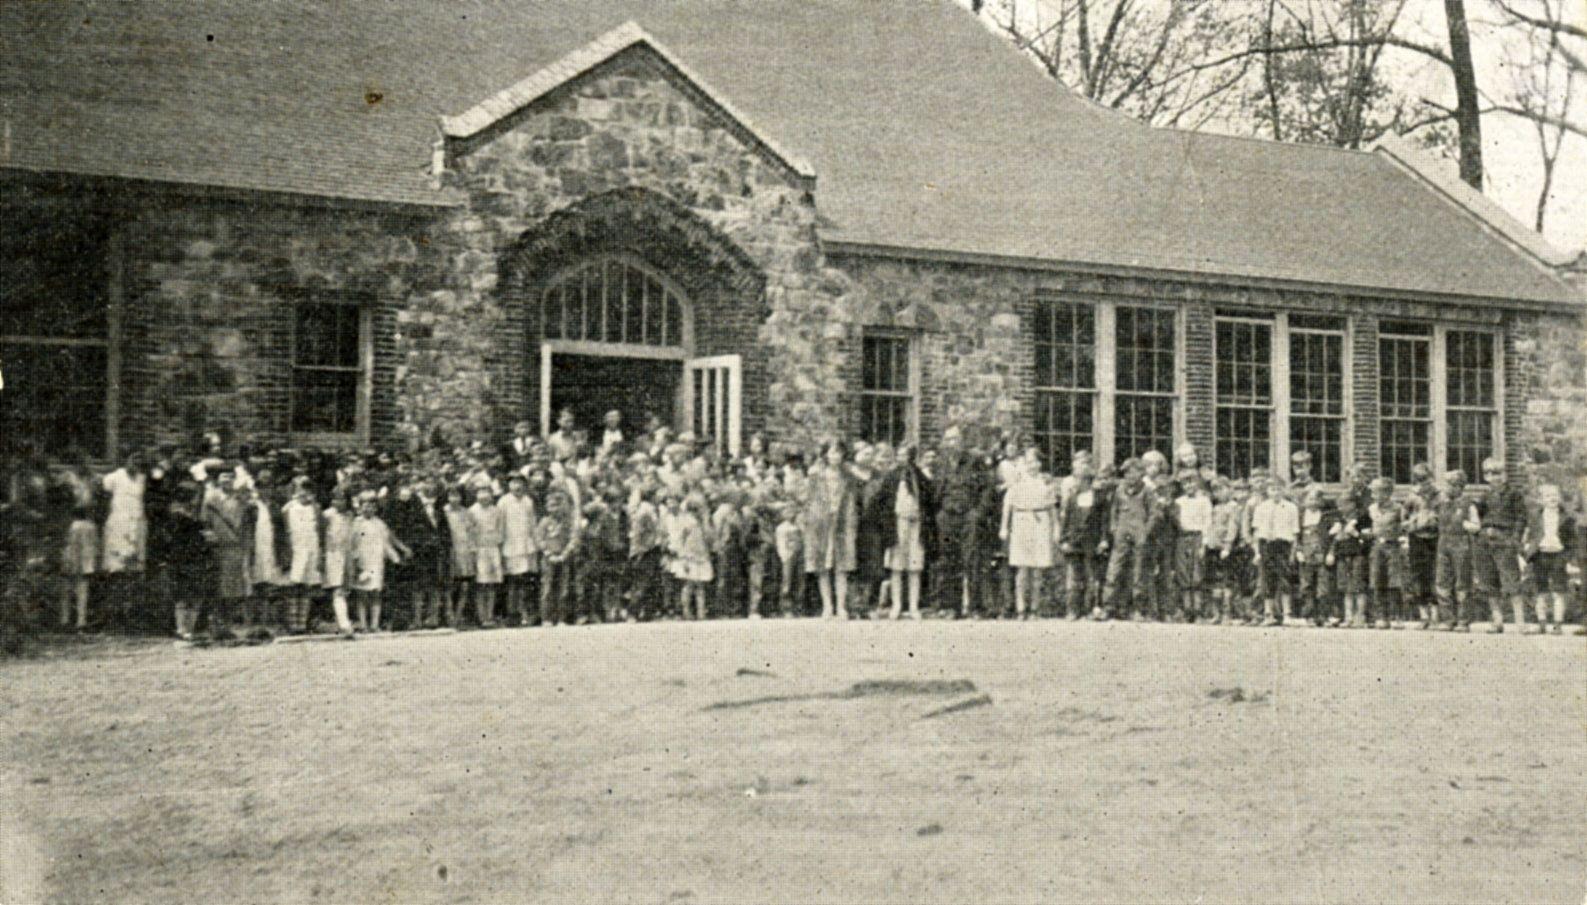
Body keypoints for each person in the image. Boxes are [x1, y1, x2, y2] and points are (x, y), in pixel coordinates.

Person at [802, 440, 860, 620]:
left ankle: (841, 606)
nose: (835, 456)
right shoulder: (816, 476)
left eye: (839, 452)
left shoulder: (848, 477)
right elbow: (809, 501)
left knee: (841, 566)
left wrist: (851, 522)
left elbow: (852, 502)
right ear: (826, 454)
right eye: (832, 452)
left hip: (842, 522)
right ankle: (827, 605)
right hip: (821, 523)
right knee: (822, 565)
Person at [1000, 446, 1055, 620]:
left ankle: (1034, 608)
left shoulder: (1046, 482)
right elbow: (1007, 505)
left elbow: (1052, 508)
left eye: (1036, 462)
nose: (1033, 466)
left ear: (1040, 464)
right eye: (1029, 462)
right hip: (1021, 521)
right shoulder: (1017, 481)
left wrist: (1056, 529)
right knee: (1022, 569)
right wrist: (1003, 527)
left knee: (1037, 569)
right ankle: (1021, 608)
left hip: (1040, 521)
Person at [883, 444, 936, 621]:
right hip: (898, 523)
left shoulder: (920, 477)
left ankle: (914, 606)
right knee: (896, 566)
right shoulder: (891, 477)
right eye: (899, 455)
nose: (902, 458)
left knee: (915, 566)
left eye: (905, 455)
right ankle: (896, 605)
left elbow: (929, 501)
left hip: (917, 524)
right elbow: (883, 503)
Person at [1474, 457, 1528, 633]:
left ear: (1504, 474)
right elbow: (1478, 517)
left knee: (1511, 581)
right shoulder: (1484, 495)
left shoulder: (1514, 494)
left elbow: (1521, 518)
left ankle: (1520, 622)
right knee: (1489, 581)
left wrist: (1514, 540)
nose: (1492, 476)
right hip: (1485, 541)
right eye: (1488, 473)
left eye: (1496, 472)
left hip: (1504, 540)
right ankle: (1497, 621)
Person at [201, 472, 251, 640]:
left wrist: (245, 545)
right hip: (218, 548)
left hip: (235, 547)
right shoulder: (211, 499)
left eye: (230, 478)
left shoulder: (240, 500)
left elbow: (246, 524)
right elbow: (204, 522)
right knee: (217, 587)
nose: (227, 482)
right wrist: (210, 538)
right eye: (223, 478)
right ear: (218, 481)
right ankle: (215, 625)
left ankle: (227, 625)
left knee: (234, 588)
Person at [1524, 480, 1576, 634]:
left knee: (1559, 590)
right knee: (1541, 590)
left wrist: (1569, 558)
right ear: (1541, 500)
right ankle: (1541, 623)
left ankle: (1557, 624)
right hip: (1540, 555)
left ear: (1559, 497)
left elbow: (1572, 540)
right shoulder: (1535, 516)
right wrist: (1527, 548)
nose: (1552, 498)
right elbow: (1529, 535)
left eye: (1554, 495)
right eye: (1547, 496)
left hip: (1559, 555)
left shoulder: (1567, 517)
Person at [1433, 470, 1479, 631]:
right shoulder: (1442, 504)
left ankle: (1463, 620)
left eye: (1452, 485)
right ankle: (1447, 619)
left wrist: (1468, 526)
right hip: (1443, 543)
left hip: (1461, 544)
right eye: (1447, 484)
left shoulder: (1468, 504)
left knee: (1462, 582)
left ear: (1460, 487)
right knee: (1442, 581)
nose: (1448, 488)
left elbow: (1476, 525)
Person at [1250, 477, 1299, 627]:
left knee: (1285, 579)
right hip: (1266, 545)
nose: (1276, 492)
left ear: (1284, 490)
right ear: (1267, 491)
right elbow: (1257, 532)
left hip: (1283, 544)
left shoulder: (1291, 508)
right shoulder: (1261, 507)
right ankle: (1268, 614)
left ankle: (1287, 614)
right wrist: (1257, 552)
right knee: (1267, 580)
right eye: (1272, 489)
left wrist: (1292, 552)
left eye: (1279, 489)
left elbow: (1295, 532)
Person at [351, 491, 403, 632]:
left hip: (376, 562)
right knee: (362, 594)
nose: (369, 509)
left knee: (376, 593)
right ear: (360, 507)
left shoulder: (380, 523)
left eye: (372, 506)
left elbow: (385, 542)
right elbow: (352, 543)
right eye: (365, 506)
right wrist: (355, 560)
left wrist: (395, 557)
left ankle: (374, 624)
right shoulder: (356, 523)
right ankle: (363, 624)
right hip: (362, 561)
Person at [281, 478, 323, 634]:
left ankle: (302, 624)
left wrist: (320, 553)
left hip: (311, 549)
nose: (304, 492)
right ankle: (292, 624)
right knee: (293, 585)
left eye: (307, 489)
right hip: (295, 549)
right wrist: (287, 553)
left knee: (307, 586)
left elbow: (319, 531)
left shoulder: (316, 508)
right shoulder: (288, 508)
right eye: (300, 489)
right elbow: (285, 532)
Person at [1365, 477, 1406, 630]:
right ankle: (1382, 616)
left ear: (1387, 492)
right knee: (1377, 580)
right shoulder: (1372, 509)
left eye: (1376, 492)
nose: (1373, 495)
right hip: (1377, 546)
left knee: (1394, 581)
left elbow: (1404, 526)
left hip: (1392, 546)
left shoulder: (1397, 508)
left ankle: (1397, 616)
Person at [499, 474, 540, 626]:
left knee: (526, 582)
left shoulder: (528, 501)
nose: (517, 486)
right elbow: (500, 525)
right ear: (509, 485)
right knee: (513, 582)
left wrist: (535, 544)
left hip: (526, 546)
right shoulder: (503, 502)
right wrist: (501, 545)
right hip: (510, 546)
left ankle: (527, 614)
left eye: (520, 483)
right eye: (514, 483)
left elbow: (532, 524)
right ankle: (512, 615)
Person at [1294, 487, 1336, 626]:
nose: (1313, 502)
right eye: (1310, 499)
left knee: (1323, 587)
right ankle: (1309, 615)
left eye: (1317, 499)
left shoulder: (1326, 516)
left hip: (1322, 554)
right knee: (1307, 585)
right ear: (1305, 501)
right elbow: (1296, 535)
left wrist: (1331, 553)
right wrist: (1298, 550)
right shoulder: (1300, 517)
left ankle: (1323, 615)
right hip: (1305, 554)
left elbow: (1332, 538)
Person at [537, 489, 579, 626]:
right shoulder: (544, 522)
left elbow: (573, 539)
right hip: (548, 558)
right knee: (547, 588)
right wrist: (548, 554)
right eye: (550, 506)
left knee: (564, 588)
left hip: (563, 557)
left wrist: (564, 554)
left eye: (556, 505)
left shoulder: (567, 522)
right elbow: (539, 539)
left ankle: (562, 618)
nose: (553, 509)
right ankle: (546, 618)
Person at [1174, 474, 1212, 622]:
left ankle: (1198, 611)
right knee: (1183, 572)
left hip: (1197, 537)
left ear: (1198, 484)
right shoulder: (1179, 502)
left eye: (1192, 483)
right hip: (1182, 537)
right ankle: (1186, 610)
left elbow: (1207, 523)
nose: (1189, 487)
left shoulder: (1204, 501)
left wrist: (1204, 543)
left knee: (1197, 572)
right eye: (1186, 484)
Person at [673, 491, 714, 620]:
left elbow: (709, 537)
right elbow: (679, 540)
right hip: (689, 557)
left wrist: (706, 521)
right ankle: (687, 612)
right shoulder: (686, 521)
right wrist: (682, 557)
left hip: (702, 556)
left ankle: (701, 612)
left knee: (700, 586)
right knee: (689, 585)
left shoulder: (703, 522)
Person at [469, 486, 505, 627]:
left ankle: (489, 616)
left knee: (491, 584)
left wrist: (499, 549)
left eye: (487, 494)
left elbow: (500, 530)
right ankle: (481, 616)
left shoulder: (497, 511)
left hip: (493, 549)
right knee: (481, 584)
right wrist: (473, 550)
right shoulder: (472, 511)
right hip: (479, 549)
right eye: (481, 494)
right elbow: (470, 532)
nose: (484, 497)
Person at [60, 503, 98, 631]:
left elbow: (71, 545)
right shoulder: (91, 527)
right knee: (82, 592)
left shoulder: (73, 526)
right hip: (86, 562)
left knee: (66, 592)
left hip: (71, 560)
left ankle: (65, 620)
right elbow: (94, 544)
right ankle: (81, 621)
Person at [443, 486, 476, 626]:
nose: (454, 499)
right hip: (449, 551)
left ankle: (459, 615)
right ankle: (449, 616)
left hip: (464, 552)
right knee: (449, 585)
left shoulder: (467, 512)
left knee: (464, 585)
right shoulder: (443, 512)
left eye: (457, 495)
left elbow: (471, 533)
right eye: (451, 495)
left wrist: (472, 550)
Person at [774, 500, 805, 617]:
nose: (790, 514)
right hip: (788, 555)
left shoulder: (799, 526)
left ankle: (799, 606)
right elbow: (780, 543)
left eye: (792, 511)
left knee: (800, 580)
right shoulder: (781, 528)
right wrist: (784, 556)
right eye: (787, 511)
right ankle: (786, 608)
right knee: (787, 581)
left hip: (799, 554)